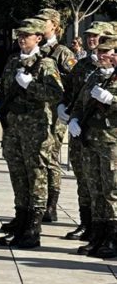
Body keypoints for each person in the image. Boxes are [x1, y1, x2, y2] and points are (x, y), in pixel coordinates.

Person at [0, 18, 63, 249]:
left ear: (38, 38)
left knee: (37, 176)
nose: (21, 39)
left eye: (27, 35)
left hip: (36, 130)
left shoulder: (46, 64)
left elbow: (56, 94)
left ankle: (33, 226)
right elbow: (1, 89)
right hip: (13, 129)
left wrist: (30, 85)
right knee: (18, 175)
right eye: (19, 35)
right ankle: (21, 220)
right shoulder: (13, 62)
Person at [58, 22, 113, 241]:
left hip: (108, 138)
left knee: (108, 188)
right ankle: (88, 225)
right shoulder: (85, 69)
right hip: (83, 135)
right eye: (90, 37)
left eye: (98, 38)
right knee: (87, 181)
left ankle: (106, 233)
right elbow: (72, 94)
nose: (93, 41)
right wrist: (67, 112)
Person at [68, 34, 117, 258]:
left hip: (112, 143)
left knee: (112, 191)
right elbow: (79, 103)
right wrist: (74, 119)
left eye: (106, 52)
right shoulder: (95, 76)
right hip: (90, 140)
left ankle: (113, 238)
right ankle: (98, 234)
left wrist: (112, 100)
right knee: (95, 189)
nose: (101, 55)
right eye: (100, 52)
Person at [35, 8, 77, 223]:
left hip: (54, 112)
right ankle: (36, 203)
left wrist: (65, 107)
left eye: (44, 21)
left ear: (55, 25)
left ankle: (51, 205)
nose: (40, 25)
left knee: (50, 158)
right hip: (34, 114)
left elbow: (74, 82)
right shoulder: (34, 48)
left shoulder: (62, 53)